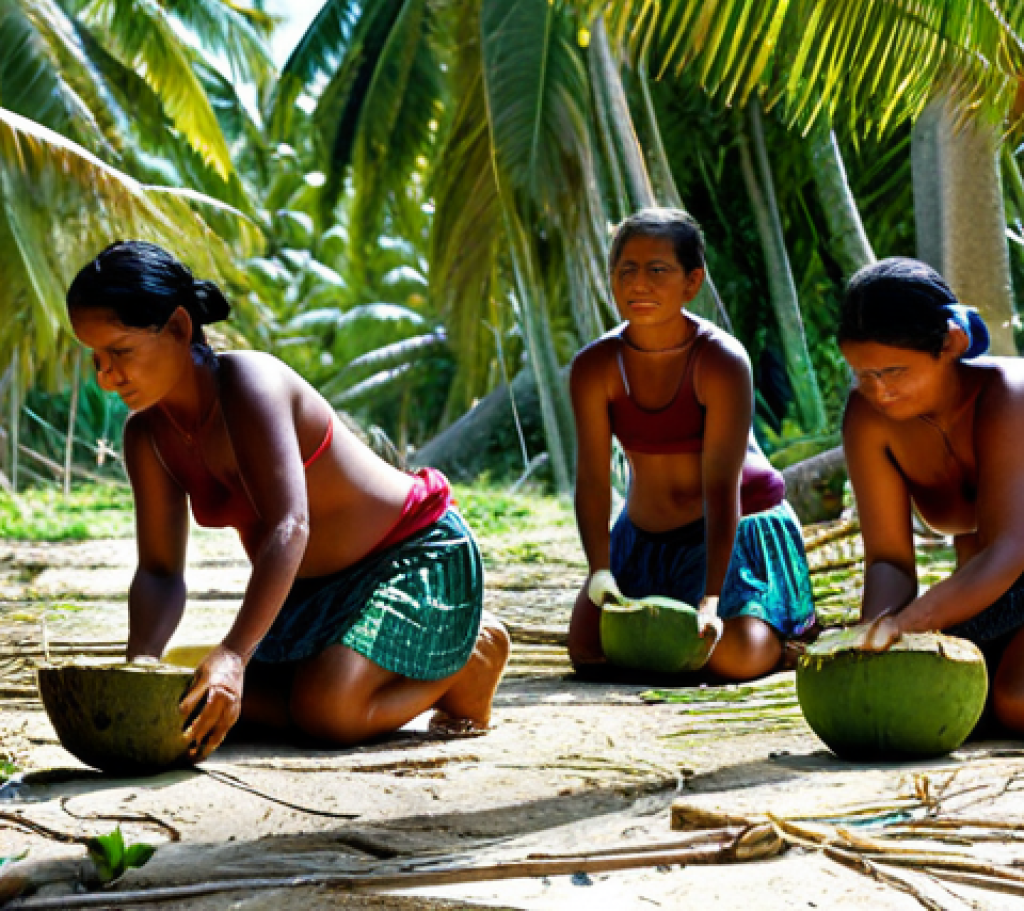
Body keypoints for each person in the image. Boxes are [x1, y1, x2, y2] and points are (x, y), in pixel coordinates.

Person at [66, 241, 509, 760]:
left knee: (328, 712)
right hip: (307, 592)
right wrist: (138, 669)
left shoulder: (250, 384)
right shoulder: (147, 437)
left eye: (120, 351)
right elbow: (161, 572)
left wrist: (234, 653)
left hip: (411, 552)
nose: (105, 376)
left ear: (180, 329)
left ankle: (469, 655)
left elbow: (289, 526)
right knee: (197, 703)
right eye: (95, 357)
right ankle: (352, 672)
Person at [567, 208, 816, 681]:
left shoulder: (720, 359)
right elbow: (594, 481)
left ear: (692, 281)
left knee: (731, 658)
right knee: (589, 653)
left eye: (658, 270)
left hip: (735, 529)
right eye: (627, 270)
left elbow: (723, 490)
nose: (639, 284)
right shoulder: (595, 366)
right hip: (642, 537)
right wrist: (601, 572)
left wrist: (712, 599)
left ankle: (780, 630)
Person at [838, 257, 1024, 732]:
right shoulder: (867, 418)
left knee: (1014, 700)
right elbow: (889, 562)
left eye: (894, 371)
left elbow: (1009, 549)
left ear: (951, 343)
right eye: (863, 374)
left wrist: (911, 623)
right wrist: (872, 636)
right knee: (947, 710)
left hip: (1002, 574)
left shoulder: (1008, 395)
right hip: (985, 603)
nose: (878, 391)